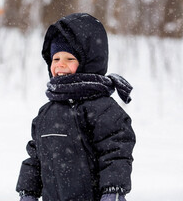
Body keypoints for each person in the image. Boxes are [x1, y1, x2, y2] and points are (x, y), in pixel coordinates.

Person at [16, 13, 136, 201]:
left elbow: (116, 153)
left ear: (88, 63)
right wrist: (28, 192)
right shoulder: (47, 112)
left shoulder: (101, 108)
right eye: (55, 59)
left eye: (69, 59)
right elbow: (36, 157)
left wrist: (113, 189)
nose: (60, 65)